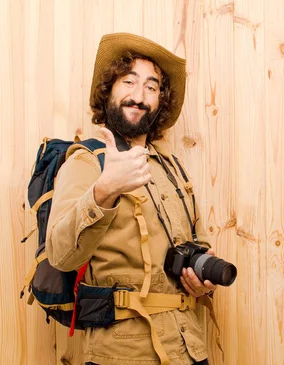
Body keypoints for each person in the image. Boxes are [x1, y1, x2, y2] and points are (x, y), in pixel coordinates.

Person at [45, 33, 217, 365]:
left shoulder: (171, 169)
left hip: (189, 348)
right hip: (124, 353)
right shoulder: (86, 163)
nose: (139, 96)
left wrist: (201, 281)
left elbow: (199, 240)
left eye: (151, 88)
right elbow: (60, 254)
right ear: (108, 90)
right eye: (128, 82)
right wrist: (105, 190)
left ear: (160, 101)